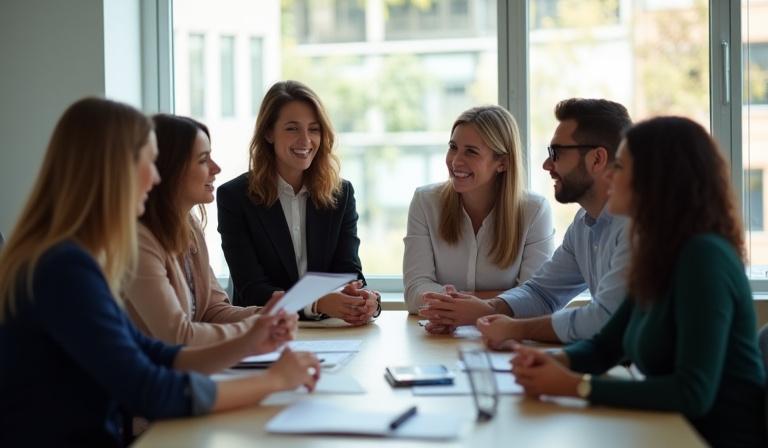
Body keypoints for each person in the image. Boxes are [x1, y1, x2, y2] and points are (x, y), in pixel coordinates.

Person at [0, 98, 320, 446]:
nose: (155, 177)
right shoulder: (64, 268)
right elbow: (149, 389)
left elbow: (156, 353)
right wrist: (272, 381)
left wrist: (252, 338)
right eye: (149, 162)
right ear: (113, 170)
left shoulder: (75, 258)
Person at [509, 116, 767, 447]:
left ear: (655, 179)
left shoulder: (704, 257)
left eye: (619, 166)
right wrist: (555, 362)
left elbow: (692, 392)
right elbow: (606, 346)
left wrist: (574, 386)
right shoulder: (659, 250)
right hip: (666, 431)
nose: (609, 175)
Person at [424, 98, 633, 342]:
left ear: (597, 159)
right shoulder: (583, 224)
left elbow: (604, 319)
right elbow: (542, 293)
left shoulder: (636, 226)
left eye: (556, 153)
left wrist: (514, 328)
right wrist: (491, 309)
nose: (547, 165)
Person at [217, 80, 379, 324]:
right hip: (262, 334)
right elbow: (252, 289)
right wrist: (318, 303)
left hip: (329, 334)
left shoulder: (341, 194)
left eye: (314, 129)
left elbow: (349, 273)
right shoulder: (235, 197)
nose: (306, 140)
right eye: (292, 128)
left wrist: (367, 300)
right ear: (269, 133)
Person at [122, 114, 266, 345]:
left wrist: (265, 314)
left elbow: (213, 311)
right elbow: (177, 336)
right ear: (170, 169)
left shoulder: (189, 226)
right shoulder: (137, 240)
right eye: (203, 160)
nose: (216, 168)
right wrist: (254, 330)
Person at [404, 105, 555, 322]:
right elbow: (414, 292)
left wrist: (457, 306)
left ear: (502, 162)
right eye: (453, 147)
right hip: (441, 336)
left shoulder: (535, 211)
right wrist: (490, 302)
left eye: (471, 152)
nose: (455, 161)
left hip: (508, 339)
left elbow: (536, 299)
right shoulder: (425, 202)